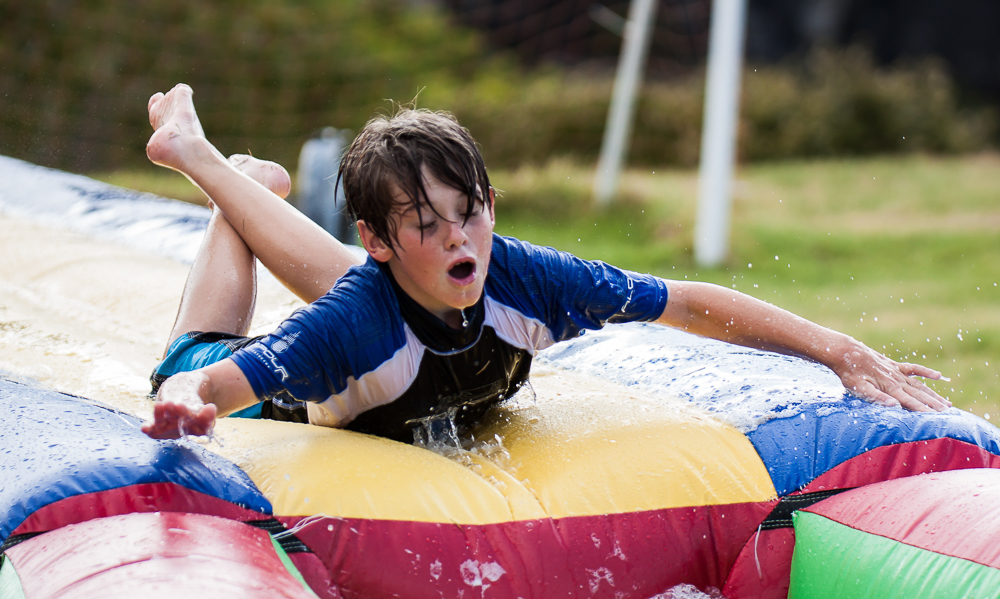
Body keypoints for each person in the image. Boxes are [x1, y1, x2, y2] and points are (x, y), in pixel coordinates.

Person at [141, 84, 949, 442]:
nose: (461, 239)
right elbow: (213, 383)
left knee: (399, 288)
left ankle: (234, 176)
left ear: (492, 203)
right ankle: (222, 183)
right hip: (282, 388)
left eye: (471, 212)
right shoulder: (348, 322)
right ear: (380, 235)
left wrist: (837, 349)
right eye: (428, 223)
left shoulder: (522, 276)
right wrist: (185, 402)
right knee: (205, 346)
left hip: (384, 297)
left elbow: (686, 301)